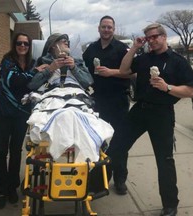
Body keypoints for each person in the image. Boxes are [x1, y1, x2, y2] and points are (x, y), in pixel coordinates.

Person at [107, 23, 193, 216]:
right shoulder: (143, 58)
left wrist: (168, 88)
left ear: (164, 37)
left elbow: (190, 91)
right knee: (115, 148)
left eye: (155, 36)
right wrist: (134, 47)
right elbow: (123, 70)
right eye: (148, 37)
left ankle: (170, 204)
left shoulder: (177, 61)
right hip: (139, 110)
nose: (152, 40)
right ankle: (102, 182)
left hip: (162, 114)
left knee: (164, 160)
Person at [82, 15, 131, 194]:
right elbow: (83, 70)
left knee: (120, 141)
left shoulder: (121, 49)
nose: (106, 30)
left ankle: (120, 179)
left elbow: (132, 73)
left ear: (114, 29)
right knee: (97, 141)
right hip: (97, 101)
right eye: (104, 27)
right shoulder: (91, 49)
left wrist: (112, 72)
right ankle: (98, 179)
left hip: (118, 100)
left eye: (109, 27)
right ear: (99, 28)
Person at [0, 32, 35, 209]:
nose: (22, 46)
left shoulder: (32, 62)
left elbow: (37, 83)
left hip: (21, 114)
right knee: (1, 153)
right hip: (2, 113)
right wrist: (34, 74)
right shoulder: (7, 61)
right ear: (14, 44)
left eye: (26, 43)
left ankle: (12, 188)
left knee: (16, 151)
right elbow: (13, 81)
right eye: (19, 43)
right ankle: (1, 190)